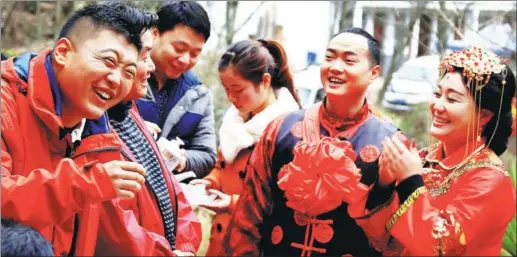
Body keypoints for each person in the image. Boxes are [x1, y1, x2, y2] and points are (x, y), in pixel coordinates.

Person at [223, 28, 401, 256]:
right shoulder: (280, 130)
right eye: (329, 57)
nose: (335, 67)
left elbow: (394, 239)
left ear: (374, 73)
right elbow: (248, 217)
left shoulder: (390, 143)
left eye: (349, 60)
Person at [1, 3, 150, 256]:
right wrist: (86, 184)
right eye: (108, 61)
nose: (116, 79)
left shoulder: (100, 134)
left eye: (129, 72)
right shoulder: (7, 99)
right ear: (62, 52)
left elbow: (116, 232)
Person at [348, 46, 517, 256]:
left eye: (452, 99)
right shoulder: (421, 159)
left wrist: (410, 181)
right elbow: (381, 239)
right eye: (438, 93)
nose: (437, 105)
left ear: (484, 116)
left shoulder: (490, 181)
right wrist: (384, 184)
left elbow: (439, 246)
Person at [71, 4, 201, 255]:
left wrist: (185, 246)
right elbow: (113, 226)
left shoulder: (130, 112)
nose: (151, 67)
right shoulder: (92, 127)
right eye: (144, 58)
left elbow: (169, 186)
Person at [189, 39, 302, 255]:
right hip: (221, 239)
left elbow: (284, 202)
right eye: (227, 90)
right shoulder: (235, 121)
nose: (232, 98)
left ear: (265, 81)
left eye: (238, 89)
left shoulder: (289, 131)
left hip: (256, 243)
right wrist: (208, 183)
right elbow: (222, 168)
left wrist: (232, 203)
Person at [136, 0, 217, 179]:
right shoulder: (126, 74)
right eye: (179, 48)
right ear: (155, 34)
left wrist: (182, 159)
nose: (185, 60)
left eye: (195, 54)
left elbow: (207, 155)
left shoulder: (200, 95)